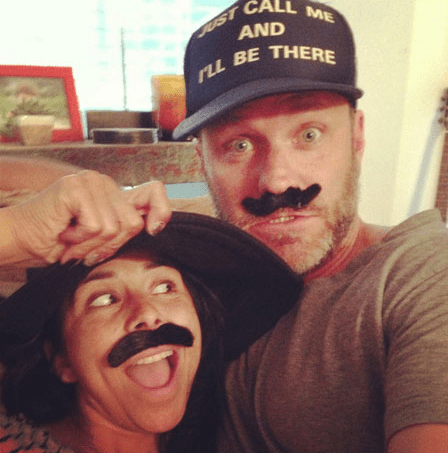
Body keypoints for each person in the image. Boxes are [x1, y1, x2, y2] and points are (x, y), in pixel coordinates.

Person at [150, 0, 447, 452]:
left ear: (357, 136)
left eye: (309, 135)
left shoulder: (423, 277)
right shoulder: (196, 262)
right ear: (202, 162)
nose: (277, 181)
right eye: (239, 145)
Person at [0, 211, 303, 453]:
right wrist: (14, 229)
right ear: (61, 360)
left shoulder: (229, 433)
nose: (147, 313)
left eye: (164, 287)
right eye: (104, 299)